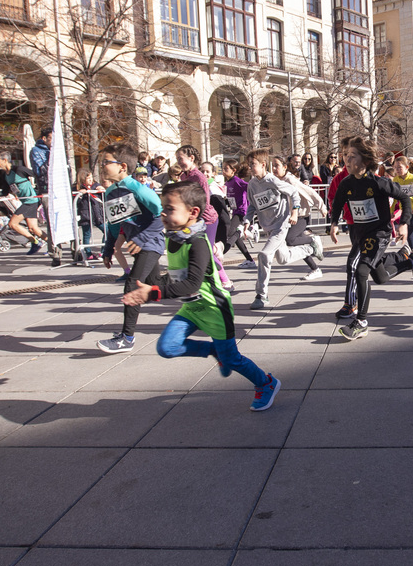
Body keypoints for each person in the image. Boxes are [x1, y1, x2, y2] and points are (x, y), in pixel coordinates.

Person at [121, 181, 280, 411]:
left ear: (193, 212)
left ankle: (266, 383)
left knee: (233, 359)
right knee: (167, 347)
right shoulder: (173, 236)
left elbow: (191, 284)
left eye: (170, 209)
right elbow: (176, 277)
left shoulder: (197, 243)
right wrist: (147, 288)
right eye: (163, 208)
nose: (163, 214)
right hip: (192, 309)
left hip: (215, 309)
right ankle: (213, 351)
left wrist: (153, 293)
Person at [328, 137, 413, 340]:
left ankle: (361, 322)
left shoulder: (378, 182)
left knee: (361, 271)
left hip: (380, 233)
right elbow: (338, 203)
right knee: (380, 277)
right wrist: (333, 224)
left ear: (365, 161)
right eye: (346, 156)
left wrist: (404, 223)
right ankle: (410, 260)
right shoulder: (346, 183)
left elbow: (404, 198)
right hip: (361, 234)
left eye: (352, 156)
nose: (347, 160)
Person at [96, 142, 164, 353]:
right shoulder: (110, 193)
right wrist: (108, 249)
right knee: (156, 285)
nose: (102, 166)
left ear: (122, 166)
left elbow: (162, 217)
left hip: (151, 243)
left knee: (132, 285)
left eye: (106, 162)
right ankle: (196, 292)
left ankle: (127, 338)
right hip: (137, 245)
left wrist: (142, 237)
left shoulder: (138, 189)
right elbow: (114, 225)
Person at [246, 149, 319, 310]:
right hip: (268, 227)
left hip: (281, 225)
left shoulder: (272, 180)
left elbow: (294, 192)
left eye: (253, 164)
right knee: (283, 258)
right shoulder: (252, 184)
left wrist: (294, 211)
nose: (250, 167)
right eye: (249, 164)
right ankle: (309, 248)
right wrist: (245, 221)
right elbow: (252, 205)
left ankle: (261, 295)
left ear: (263, 165)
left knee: (264, 255)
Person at [175, 145, 231, 290]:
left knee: (206, 253)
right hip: (192, 219)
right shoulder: (183, 176)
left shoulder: (199, 177)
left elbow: (204, 201)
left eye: (181, 159)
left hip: (207, 219)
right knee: (191, 250)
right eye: (177, 159)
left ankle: (226, 282)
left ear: (191, 158)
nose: (179, 162)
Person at [270, 155, 326, 281]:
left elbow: (310, 191)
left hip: (301, 216)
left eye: (277, 166)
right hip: (288, 217)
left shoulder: (290, 180)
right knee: (297, 245)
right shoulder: (275, 181)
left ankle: (313, 240)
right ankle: (315, 269)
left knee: (290, 239)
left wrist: (322, 207)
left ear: (284, 167)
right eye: (272, 165)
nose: (274, 168)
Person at [0, 151, 45, 253]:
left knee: (12, 224)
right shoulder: (5, 175)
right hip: (25, 202)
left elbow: (36, 175)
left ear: (5, 160)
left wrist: (41, 190)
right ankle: (53, 244)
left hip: (31, 201)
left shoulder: (19, 170)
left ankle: (35, 242)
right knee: (34, 229)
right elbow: (6, 192)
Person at [221, 159, 255, 267]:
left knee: (231, 233)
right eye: (223, 168)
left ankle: (249, 229)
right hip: (235, 210)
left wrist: (250, 202)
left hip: (242, 211)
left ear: (233, 170)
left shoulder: (237, 181)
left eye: (226, 169)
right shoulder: (227, 183)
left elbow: (250, 187)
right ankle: (250, 260)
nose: (223, 171)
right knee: (236, 237)